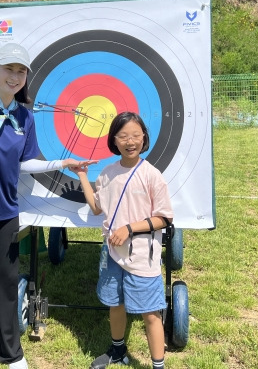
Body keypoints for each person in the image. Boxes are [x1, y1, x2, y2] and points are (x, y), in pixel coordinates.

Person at [0, 42, 96, 369]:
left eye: (21, 71)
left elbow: (25, 163)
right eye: (9, 69)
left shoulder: (24, 116)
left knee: (8, 281)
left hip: (6, 212)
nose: (15, 76)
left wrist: (61, 162)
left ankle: (10, 352)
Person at [70, 111, 173, 369]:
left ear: (144, 138)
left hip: (141, 255)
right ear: (114, 140)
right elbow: (96, 207)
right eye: (123, 136)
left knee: (150, 313)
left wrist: (129, 228)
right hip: (112, 252)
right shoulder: (107, 173)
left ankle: (158, 365)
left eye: (136, 136)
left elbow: (164, 218)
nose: (130, 142)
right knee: (115, 304)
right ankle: (117, 350)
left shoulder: (151, 175)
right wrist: (83, 175)